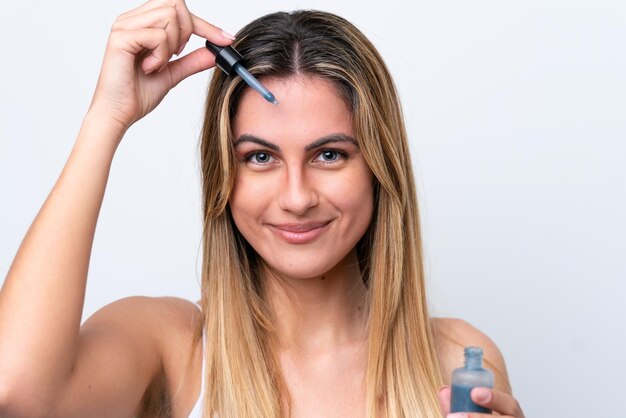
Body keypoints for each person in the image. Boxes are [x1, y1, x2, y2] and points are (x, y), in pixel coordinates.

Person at [0, 1, 525, 417]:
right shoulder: (170, 348)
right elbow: (16, 394)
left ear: (379, 169)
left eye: (329, 154)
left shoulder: (460, 360)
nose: (296, 198)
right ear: (223, 177)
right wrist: (107, 118)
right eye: (260, 157)